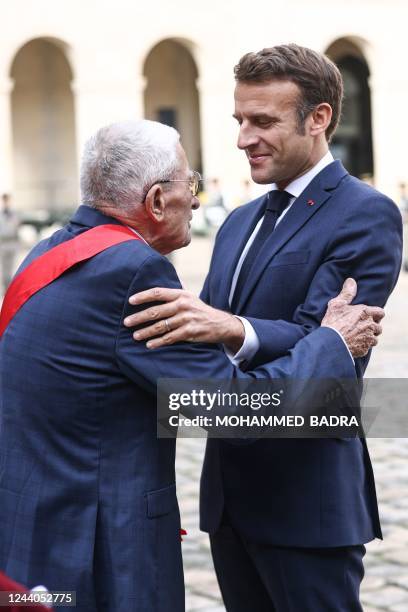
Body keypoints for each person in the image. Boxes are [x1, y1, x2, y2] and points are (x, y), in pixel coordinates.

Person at [0, 119, 381, 612]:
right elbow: (237, 411)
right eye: (190, 184)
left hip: (36, 527)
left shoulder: (49, 251)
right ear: (157, 201)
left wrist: (232, 328)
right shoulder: (131, 274)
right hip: (98, 545)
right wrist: (332, 341)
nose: (197, 201)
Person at [125, 45, 403, 611]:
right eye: (239, 120)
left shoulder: (365, 214)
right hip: (229, 500)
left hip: (308, 503)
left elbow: (334, 354)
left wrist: (229, 328)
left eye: (263, 121)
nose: (243, 138)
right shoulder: (237, 221)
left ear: (319, 118)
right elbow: (199, 341)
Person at [0, 193, 19, 294]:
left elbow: (17, 228)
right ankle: (5, 289)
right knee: (4, 268)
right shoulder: (1, 214)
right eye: (5, 200)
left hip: (12, 243)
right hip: (3, 244)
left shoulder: (14, 214)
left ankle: (10, 289)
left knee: (12, 267)